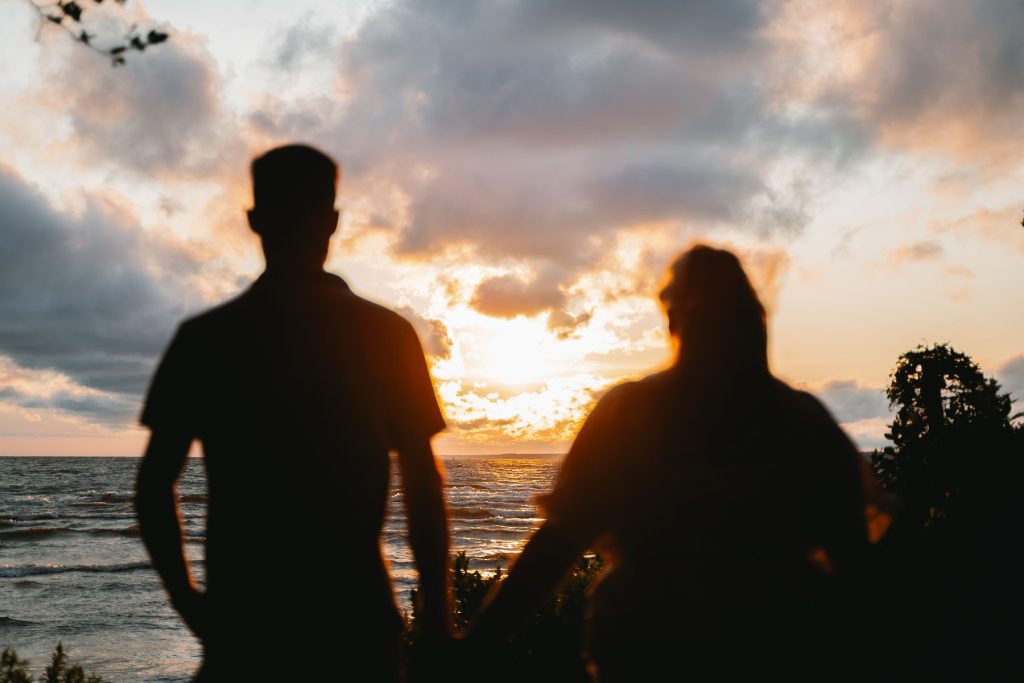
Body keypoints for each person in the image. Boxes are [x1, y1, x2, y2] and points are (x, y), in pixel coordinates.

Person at [463, 245, 870, 681]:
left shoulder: (630, 412)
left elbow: (561, 540)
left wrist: (476, 646)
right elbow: (856, 562)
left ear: (675, 321)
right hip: (779, 645)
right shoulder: (802, 419)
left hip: (650, 644)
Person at [135, 144, 451, 681]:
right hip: (355, 627)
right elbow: (422, 481)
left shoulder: (207, 339)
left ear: (255, 220)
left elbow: (153, 483)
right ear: (333, 221)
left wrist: (189, 600)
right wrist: (439, 623)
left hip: (246, 629)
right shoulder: (386, 335)